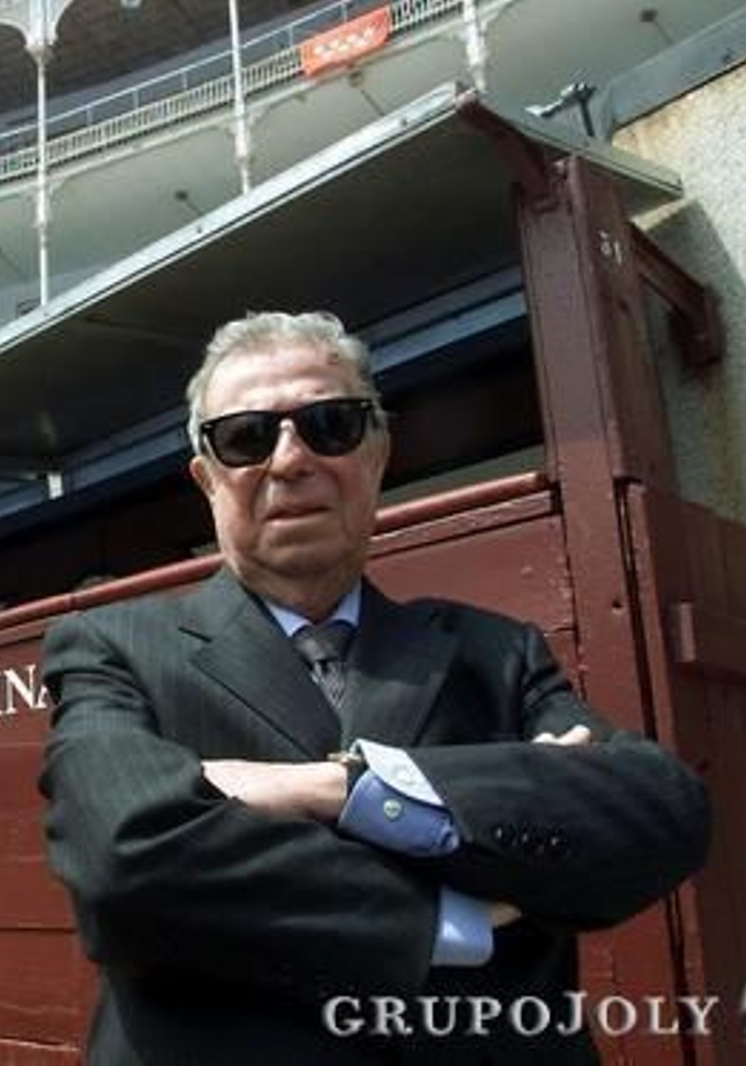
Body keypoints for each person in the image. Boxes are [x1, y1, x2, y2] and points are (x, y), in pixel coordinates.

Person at [38, 311, 710, 1064]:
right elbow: (120, 859)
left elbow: (660, 812)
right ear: (207, 478)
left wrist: (344, 788)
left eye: (330, 424)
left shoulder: (498, 652)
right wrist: (453, 913)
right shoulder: (113, 647)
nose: (290, 460)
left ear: (378, 453)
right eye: (246, 437)